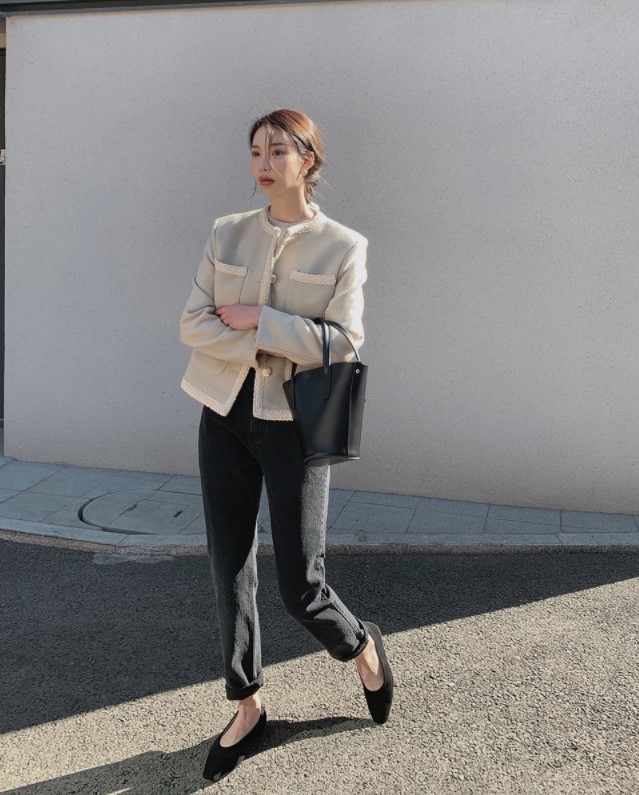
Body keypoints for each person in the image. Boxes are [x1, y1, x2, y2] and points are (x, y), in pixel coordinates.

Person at [179, 108, 393, 783]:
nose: (263, 164)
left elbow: (344, 342)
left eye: (278, 150)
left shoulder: (343, 246)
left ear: (308, 159)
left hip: (294, 424)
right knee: (228, 568)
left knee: (301, 585)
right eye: (255, 152)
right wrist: (268, 340)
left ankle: (361, 647)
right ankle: (247, 704)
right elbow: (192, 325)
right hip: (223, 414)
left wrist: (259, 319)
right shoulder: (227, 232)